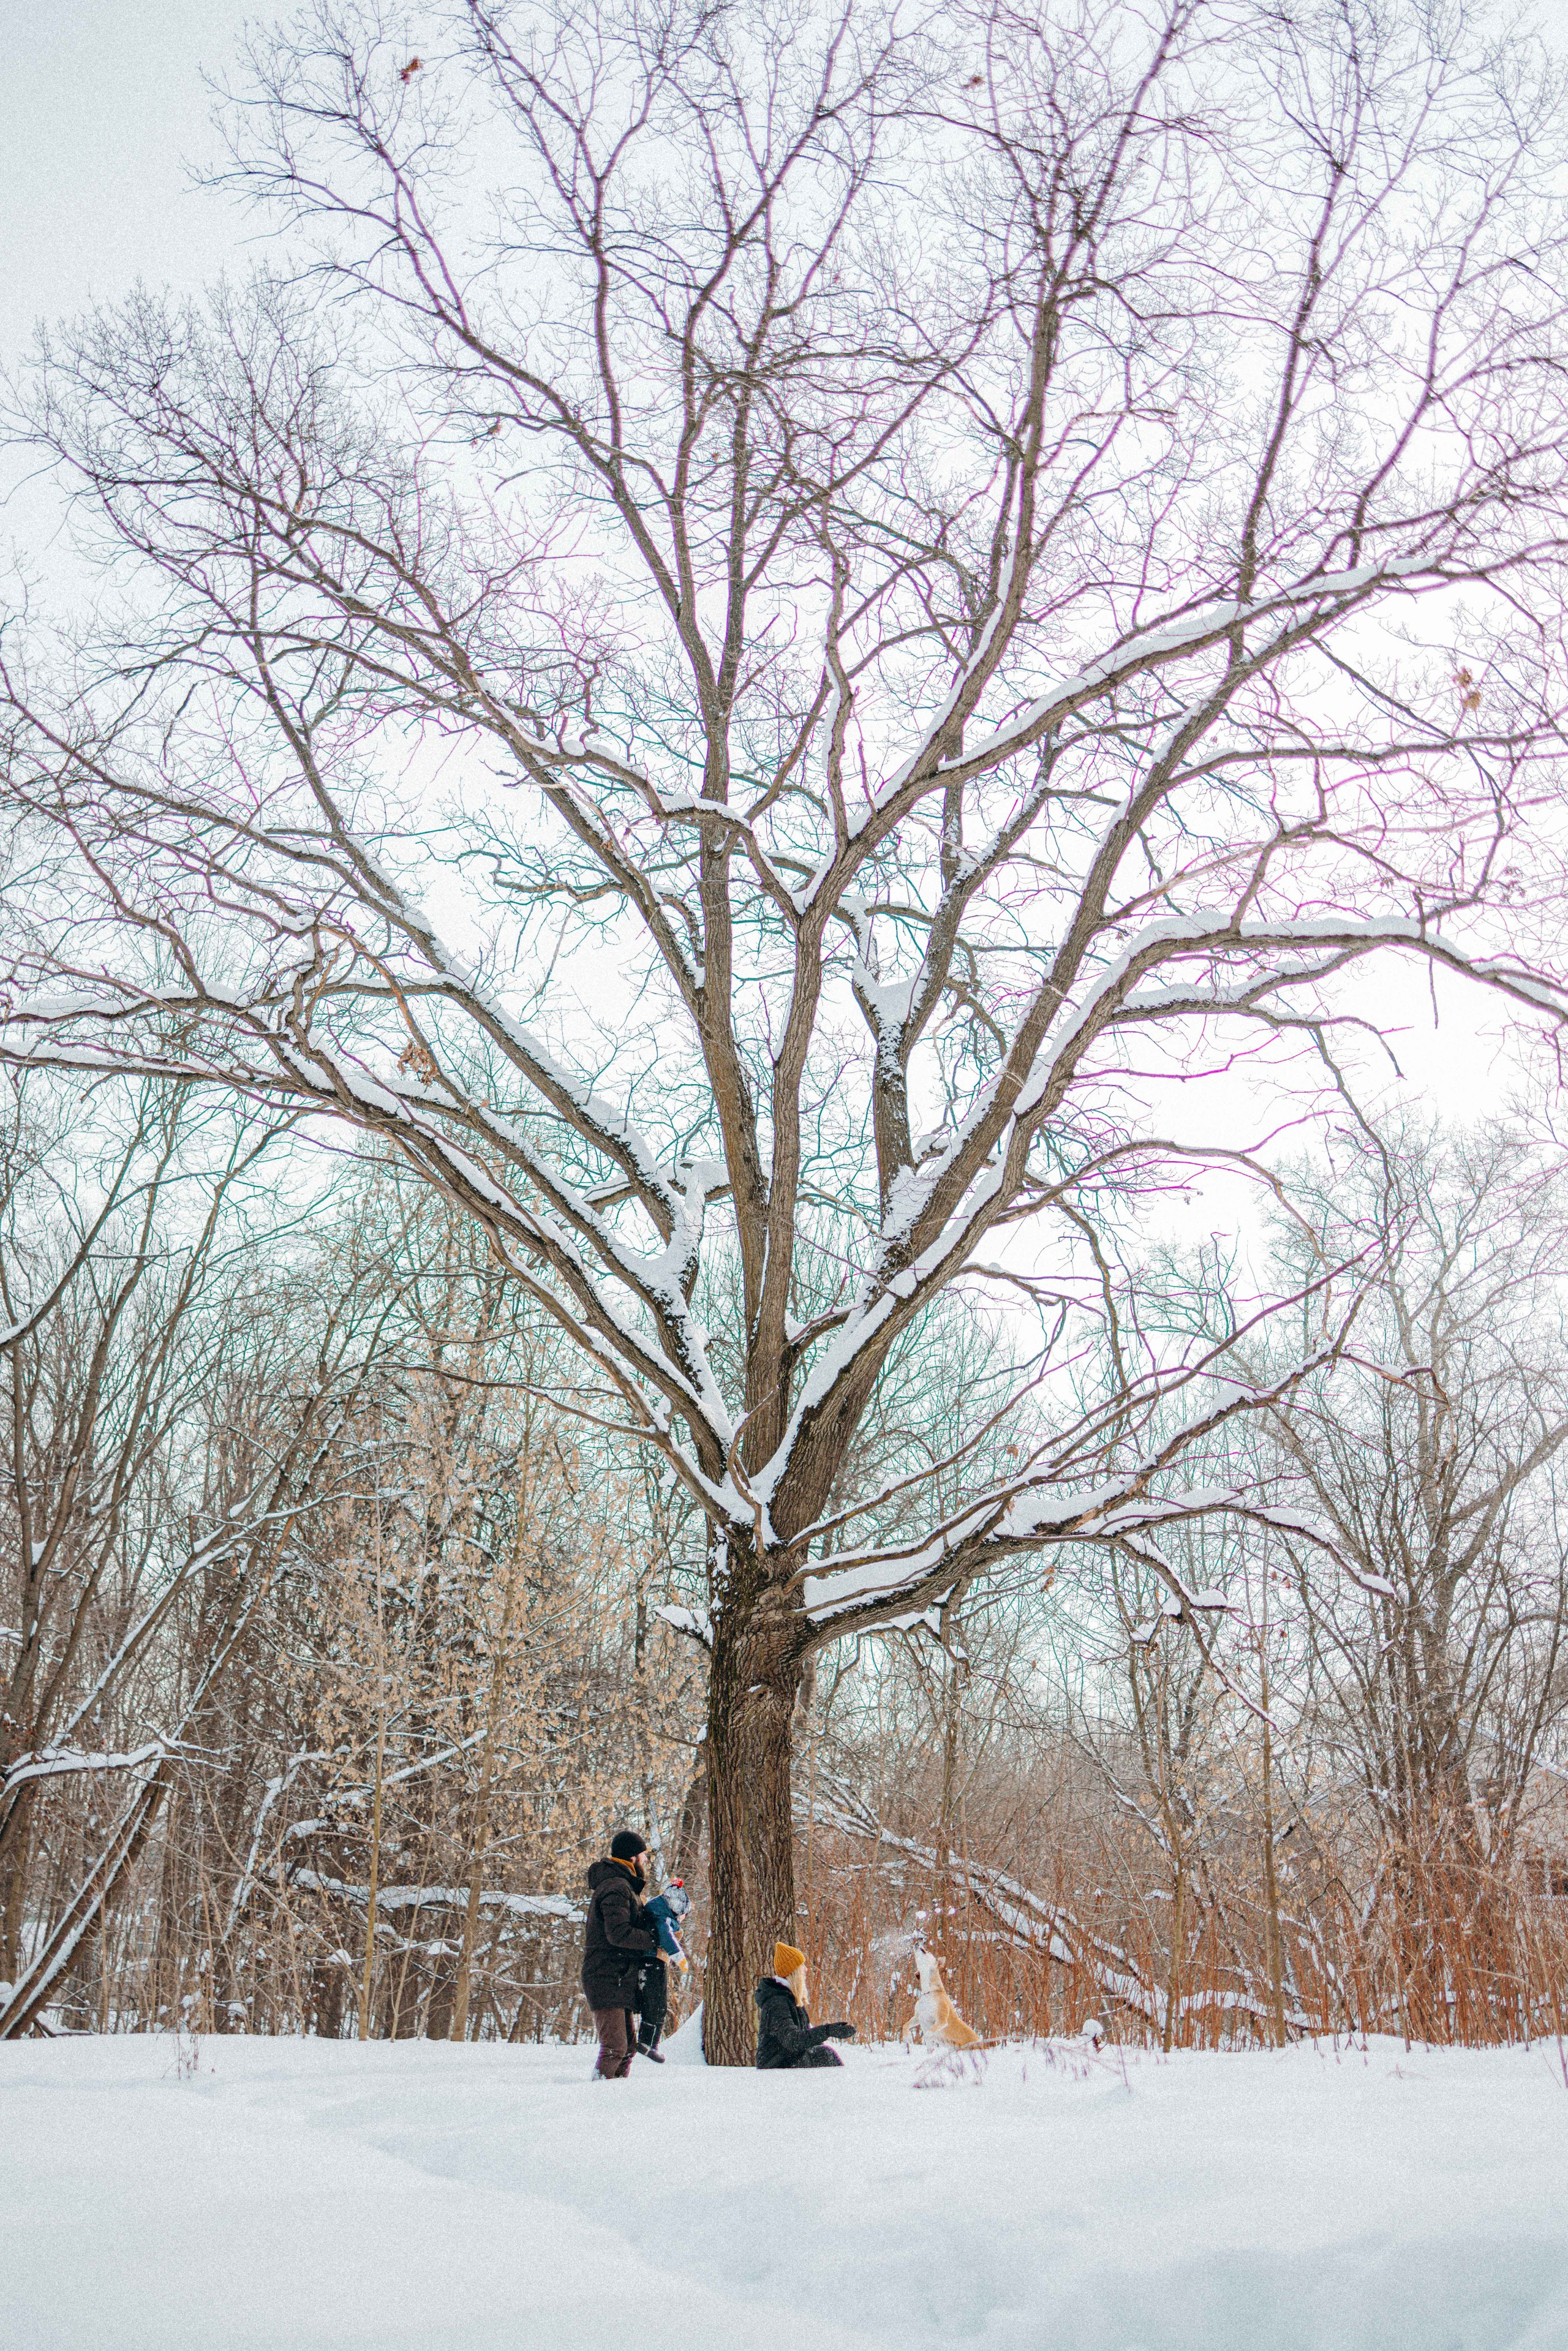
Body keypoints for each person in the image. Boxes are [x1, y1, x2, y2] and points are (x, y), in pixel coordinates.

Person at [581, 1829, 660, 2079]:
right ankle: (597, 2094)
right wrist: (653, 1940)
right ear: (632, 1857)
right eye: (643, 1855)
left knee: (628, 2049)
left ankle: (616, 2095)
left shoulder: (623, 1885)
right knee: (615, 2047)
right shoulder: (616, 1887)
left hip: (619, 1976)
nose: (645, 1859)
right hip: (606, 1976)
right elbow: (618, 1933)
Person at [755, 1941, 856, 2069]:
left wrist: (828, 2033)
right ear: (793, 1972)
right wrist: (828, 2030)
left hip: (791, 2062)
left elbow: (804, 2039)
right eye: (802, 1965)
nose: (806, 1969)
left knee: (823, 2053)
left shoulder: (791, 1998)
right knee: (824, 2054)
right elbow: (793, 2041)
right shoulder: (776, 2003)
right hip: (776, 2070)